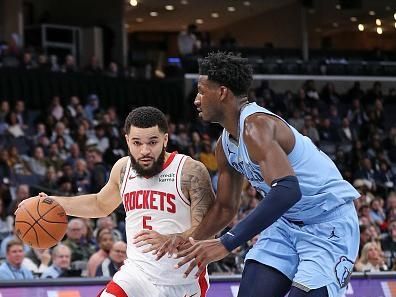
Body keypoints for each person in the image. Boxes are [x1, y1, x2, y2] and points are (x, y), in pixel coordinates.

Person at [175, 52, 360, 297]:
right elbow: (224, 209)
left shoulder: (256, 126)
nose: (196, 100)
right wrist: (187, 245)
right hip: (285, 225)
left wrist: (227, 242)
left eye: (201, 91)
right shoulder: (224, 146)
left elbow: (287, 190)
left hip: (328, 225)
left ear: (221, 93)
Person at [18, 106, 214, 297]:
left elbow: (211, 228)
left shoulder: (190, 171)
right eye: (137, 143)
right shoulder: (123, 168)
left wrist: (177, 238)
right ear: (127, 141)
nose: (144, 150)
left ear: (165, 140)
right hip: (136, 275)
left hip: (182, 281)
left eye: (152, 142)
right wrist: (53, 202)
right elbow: (99, 204)